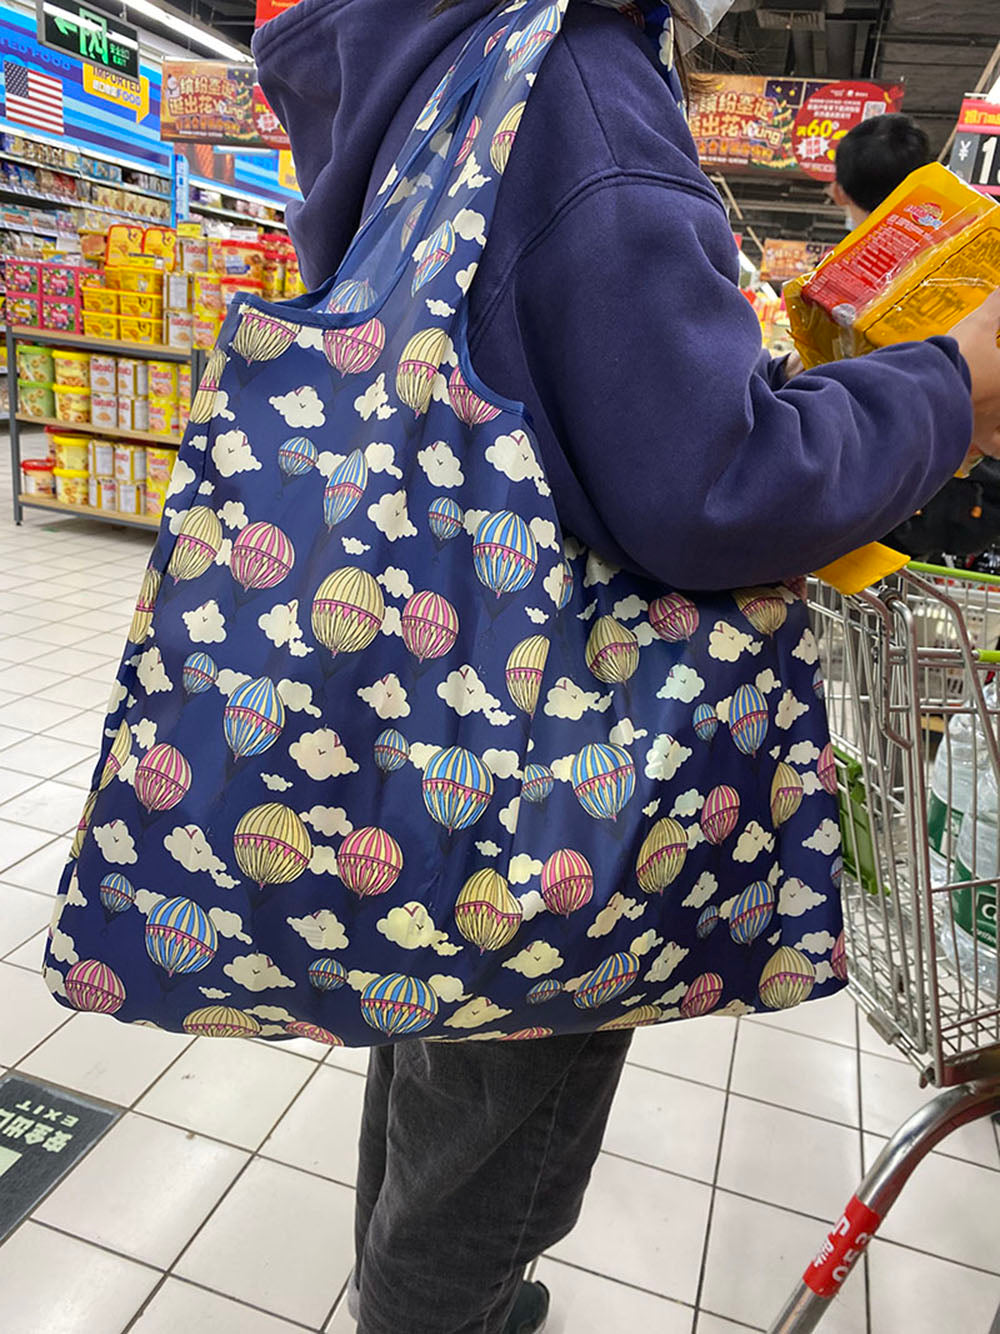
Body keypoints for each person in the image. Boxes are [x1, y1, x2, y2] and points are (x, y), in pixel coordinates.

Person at [255, 4, 1000, 1331]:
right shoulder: (578, 86)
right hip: (562, 756)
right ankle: (441, 1311)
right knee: (494, 1145)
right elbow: (711, 491)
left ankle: (415, 1294)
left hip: (442, 699)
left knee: (440, 1061)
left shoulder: (423, 66)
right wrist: (952, 385)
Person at [828, 114, 1000, 563]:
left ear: (841, 190)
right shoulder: (977, 252)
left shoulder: (838, 290)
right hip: (970, 494)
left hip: (886, 498)